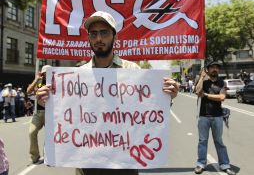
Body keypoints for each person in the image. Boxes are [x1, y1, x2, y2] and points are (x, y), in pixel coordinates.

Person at [36, 11, 179, 175]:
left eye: (104, 33)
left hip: (124, 165)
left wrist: (166, 98)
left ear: (114, 37)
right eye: (94, 34)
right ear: (89, 38)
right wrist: (46, 104)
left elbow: (149, 115)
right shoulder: (74, 77)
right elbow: (64, 119)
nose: (98, 39)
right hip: (87, 167)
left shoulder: (133, 71)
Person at [194, 61, 236, 175]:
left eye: (217, 68)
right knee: (202, 141)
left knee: (219, 142)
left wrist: (206, 95)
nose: (215, 69)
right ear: (208, 69)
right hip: (203, 116)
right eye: (212, 67)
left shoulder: (221, 82)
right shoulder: (204, 82)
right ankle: (200, 164)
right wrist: (202, 77)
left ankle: (225, 165)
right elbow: (197, 91)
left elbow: (222, 97)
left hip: (217, 117)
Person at [26, 65, 51, 164]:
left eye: (47, 73)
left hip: (50, 113)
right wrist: (36, 80)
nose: (45, 75)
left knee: (50, 135)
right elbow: (28, 91)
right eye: (44, 73)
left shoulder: (55, 82)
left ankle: (49, 155)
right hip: (38, 112)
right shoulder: (39, 82)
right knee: (32, 132)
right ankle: (34, 155)